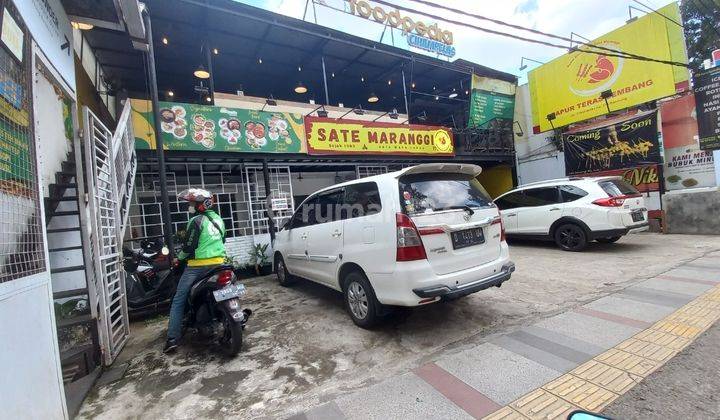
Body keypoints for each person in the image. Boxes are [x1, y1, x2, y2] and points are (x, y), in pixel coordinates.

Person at [164, 188, 226, 353]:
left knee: (179, 298)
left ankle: (172, 338)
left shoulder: (196, 221)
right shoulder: (219, 219)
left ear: (200, 205)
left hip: (198, 266)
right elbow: (223, 240)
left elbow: (188, 246)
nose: (190, 206)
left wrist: (179, 258)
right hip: (219, 263)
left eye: (192, 203)